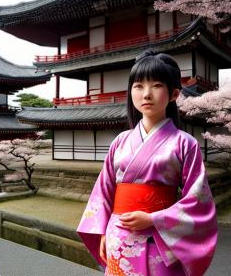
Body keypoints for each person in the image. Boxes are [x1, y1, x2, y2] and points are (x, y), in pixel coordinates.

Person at [77, 50, 217, 276]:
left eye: (157, 86)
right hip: (119, 239)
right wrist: (102, 231)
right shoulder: (120, 141)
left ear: (174, 94)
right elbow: (103, 191)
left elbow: (199, 200)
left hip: (160, 242)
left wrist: (154, 218)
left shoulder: (185, 144)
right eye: (139, 86)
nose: (147, 94)